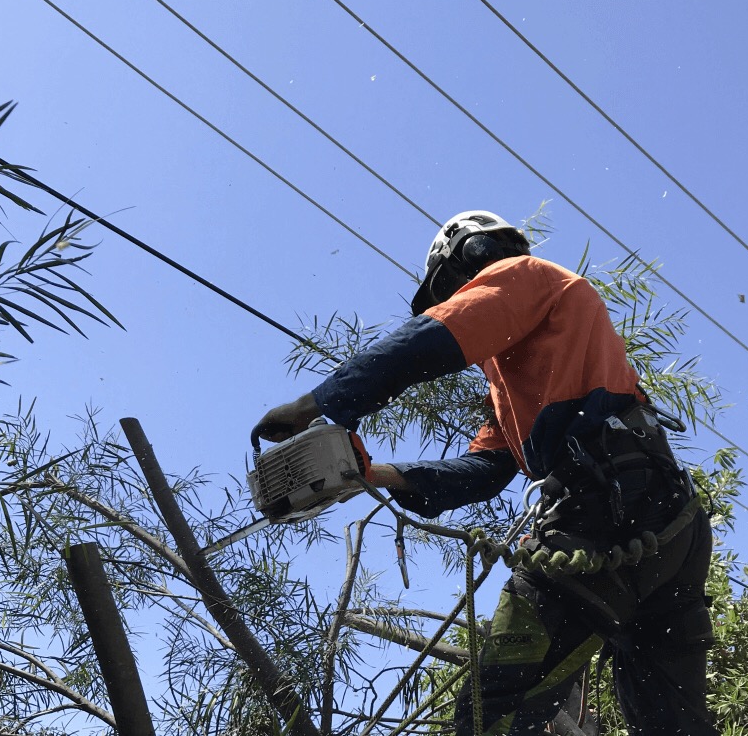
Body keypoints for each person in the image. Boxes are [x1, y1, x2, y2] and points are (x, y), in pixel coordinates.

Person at [256, 211, 717, 735]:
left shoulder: (526, 275)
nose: (458, 297)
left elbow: (431, 340)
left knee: (488, 710)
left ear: (471, 262)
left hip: (604, 507)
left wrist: (316, 403)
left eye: (453, 288)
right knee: (672, 723)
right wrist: (374, 473)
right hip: (664, 518)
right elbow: (484, 471)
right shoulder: (515, 378)